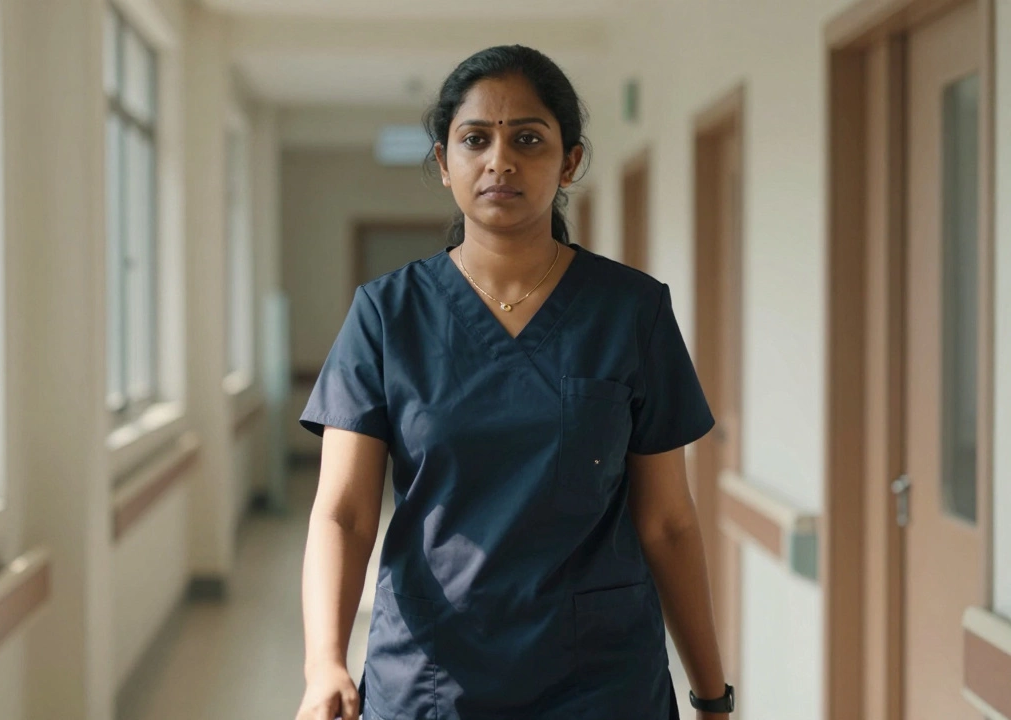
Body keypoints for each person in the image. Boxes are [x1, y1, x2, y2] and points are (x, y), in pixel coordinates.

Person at [294, 45, 733, 720]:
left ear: (570, 162)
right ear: (445, 163)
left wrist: (711, 693)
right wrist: (323, 661)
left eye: (528, 138)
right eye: (475, 139)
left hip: (600, 681)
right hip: (432, 675)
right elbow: (345, 513)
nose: (501, 160)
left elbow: (668, 522)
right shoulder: (387, 314)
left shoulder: (630, 311)